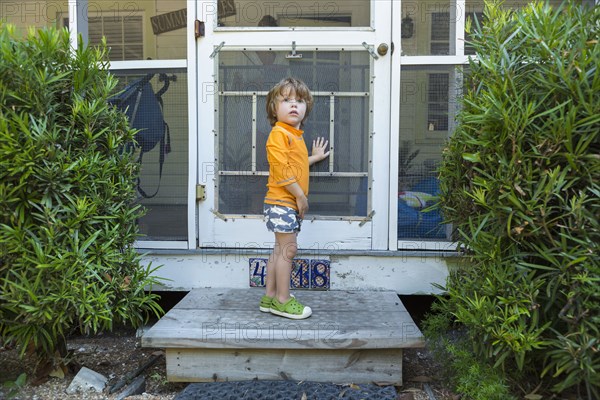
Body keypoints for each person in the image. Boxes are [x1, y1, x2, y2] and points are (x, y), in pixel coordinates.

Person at [260, 77, 329, 319]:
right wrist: (301, 197)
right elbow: (282, 171)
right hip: (283, 202)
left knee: (279, 251)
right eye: (286, 100)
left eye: (299, 101)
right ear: (273, 108)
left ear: (306, 108)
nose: (293, 105)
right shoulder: (279, 133)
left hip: (281, 203)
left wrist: (314, 158)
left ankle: (269, 298)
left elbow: (295, 164)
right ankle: (283, 299)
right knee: (288, 250)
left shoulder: (293, 135)